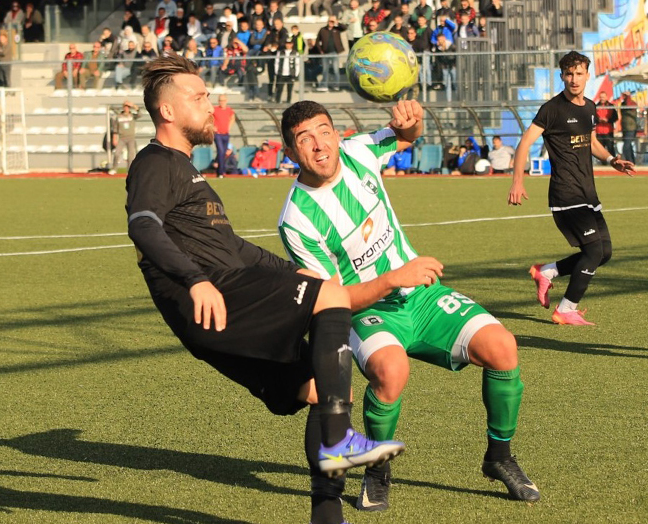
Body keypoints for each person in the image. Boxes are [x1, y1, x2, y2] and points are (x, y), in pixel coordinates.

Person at [125, 55, 405, 524]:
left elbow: (234, 248)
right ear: (168, 111)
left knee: (321, 389)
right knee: (334, 300)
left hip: (217, 307)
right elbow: (143, 225)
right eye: (198, 97)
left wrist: (297, 273)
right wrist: (195, 280)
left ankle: (326, 515)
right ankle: (340, 442)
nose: (210, 105)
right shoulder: (155, 163)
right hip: (212, 297)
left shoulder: (185, 170)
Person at [278, 99, 538, 510]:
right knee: (391, 369)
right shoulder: (296, 220)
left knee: (502, 347)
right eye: (304, 139)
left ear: (337, 135)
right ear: (291, 152)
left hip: (420, 294)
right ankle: (377, 469)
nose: (319, 144)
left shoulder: (359, 151)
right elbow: (333, 299)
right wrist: (392, 279)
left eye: (324, 132)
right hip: (365, 312)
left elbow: (405, 137)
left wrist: (412, 122)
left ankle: (499, 457)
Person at [509, 51, 636, 325]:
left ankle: (547, 272)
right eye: (569, 74)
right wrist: (518, 181)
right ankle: (566, 309)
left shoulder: (589, 107)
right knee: (593, 252)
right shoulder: (552, 109)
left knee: (604, 253)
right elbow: (524, 143)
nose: (574, 79)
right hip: (566, 195)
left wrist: (611, 160)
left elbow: (592, 142)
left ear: (588, 75)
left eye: (579, 74)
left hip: (588, 192)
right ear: (562, 76)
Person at [111, 100, 141, 172]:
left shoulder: (132, 116)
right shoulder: (119, 116)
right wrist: (114, 137)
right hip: (122, 138)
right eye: (125, 106)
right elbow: (115, 128)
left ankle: (129, 170)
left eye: (128, 107)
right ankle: (114, 168)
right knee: (117, 153)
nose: (126, 108)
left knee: (130, 155)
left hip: (131, 137)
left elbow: (140, 114)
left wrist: (133, 105)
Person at [212, 94, 235, 178]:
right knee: (221, 151)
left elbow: (233, 118)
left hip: (226, 134)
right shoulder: (215, 109)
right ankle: (221, 172)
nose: (222, 102)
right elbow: (207, 117)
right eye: (220, 100)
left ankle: (219, 171)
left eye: (223, 100)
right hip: (218, 134)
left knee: (223, 153)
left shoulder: (229, 110)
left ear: (226, 101)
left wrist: (229, 127)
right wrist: (212, 127)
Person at [274, 38, 300, 104]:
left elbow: (297, 64)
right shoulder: (280, 52)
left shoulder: (295, 53)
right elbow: (277, 62)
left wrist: (296, 74)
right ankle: (277, 102)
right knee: (279, 89)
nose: (288, 45)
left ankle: (288, 102)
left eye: (290, 44)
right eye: (287, 44)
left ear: (292, 44)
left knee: (289, 90)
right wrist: (277, 71)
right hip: (281, 74)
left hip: (290, 74)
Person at [594, 90, 619, 158]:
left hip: (608, 131)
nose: (602, 99)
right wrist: (598, 120)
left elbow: (615, 117)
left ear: (606, 97)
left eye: (603, 97)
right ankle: (603, 163)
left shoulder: (611, 106)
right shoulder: (596, 106)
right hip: (599, 132)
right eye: (601, 97)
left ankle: (613, 161)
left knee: (610, 149)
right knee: (600, 150)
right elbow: (593, 118)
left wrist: (608, 120)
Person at [617, 91, 638, 164]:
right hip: (625, 128)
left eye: (626, 95)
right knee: (629, 147)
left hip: (631, 128)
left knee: (625, 147)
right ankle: (632, 162)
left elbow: (629, 104)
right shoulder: (623, 104)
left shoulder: (633, 103)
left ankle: (630, 162)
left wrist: (628, 96)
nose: (624, 97)